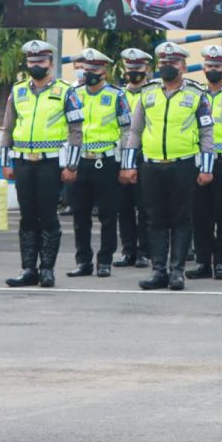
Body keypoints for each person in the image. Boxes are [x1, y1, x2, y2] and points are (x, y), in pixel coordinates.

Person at [121, 42, 215, 291]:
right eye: (163, 62)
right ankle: (158, 270)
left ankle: (177, 272)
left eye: (172, 63)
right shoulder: (148, 92)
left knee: (182, 219)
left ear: (183, 66)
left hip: (183, 164)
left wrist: (206, 168)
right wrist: (129, 164)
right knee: (155, 219)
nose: (167, 67)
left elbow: (207, 132)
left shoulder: (196, 94)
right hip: (152, 165)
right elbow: (135, 130)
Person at [1, 40, 84, 288]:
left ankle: (47, 269)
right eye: (31, 61)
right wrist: (6, 162)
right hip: (23, 162)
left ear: (50, 63)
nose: (35, 65)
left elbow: (76, 130)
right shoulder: (18, 91)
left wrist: (71, 165)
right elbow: (7, 128)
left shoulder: (65, 91)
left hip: (50, 163)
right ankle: (28, 269)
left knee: (47, 216)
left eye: (40, 61)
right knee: (27, 217)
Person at [67, 48, 130, 278]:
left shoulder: (117, 95)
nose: (89, 73)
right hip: (80, 160)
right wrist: (69, 164)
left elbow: (126, 131)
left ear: (104, 71)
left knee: (108, 215)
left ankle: (104, 261)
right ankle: (83, 261)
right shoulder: (73, 94)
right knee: (80, 215)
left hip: (107, 161)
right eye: (86, 68)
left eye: (94, 69)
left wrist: (126, 165)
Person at [189, 46, 222, 281]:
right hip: (200, 161)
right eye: (209, 66)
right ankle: (202, 262)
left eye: (217, 66)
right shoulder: (196, 94)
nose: (212, 70)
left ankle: (221, 262)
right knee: (200, 214)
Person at [115, 49, 153, 268]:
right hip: (122, 157)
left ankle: (144, 251)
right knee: (124, 207)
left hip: (144, 156)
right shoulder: (120, 94)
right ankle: (128, 250)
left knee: (145, 207)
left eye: (138, 68)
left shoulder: (152, 93)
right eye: (130, 68)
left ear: (147, 69)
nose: (134, 72)